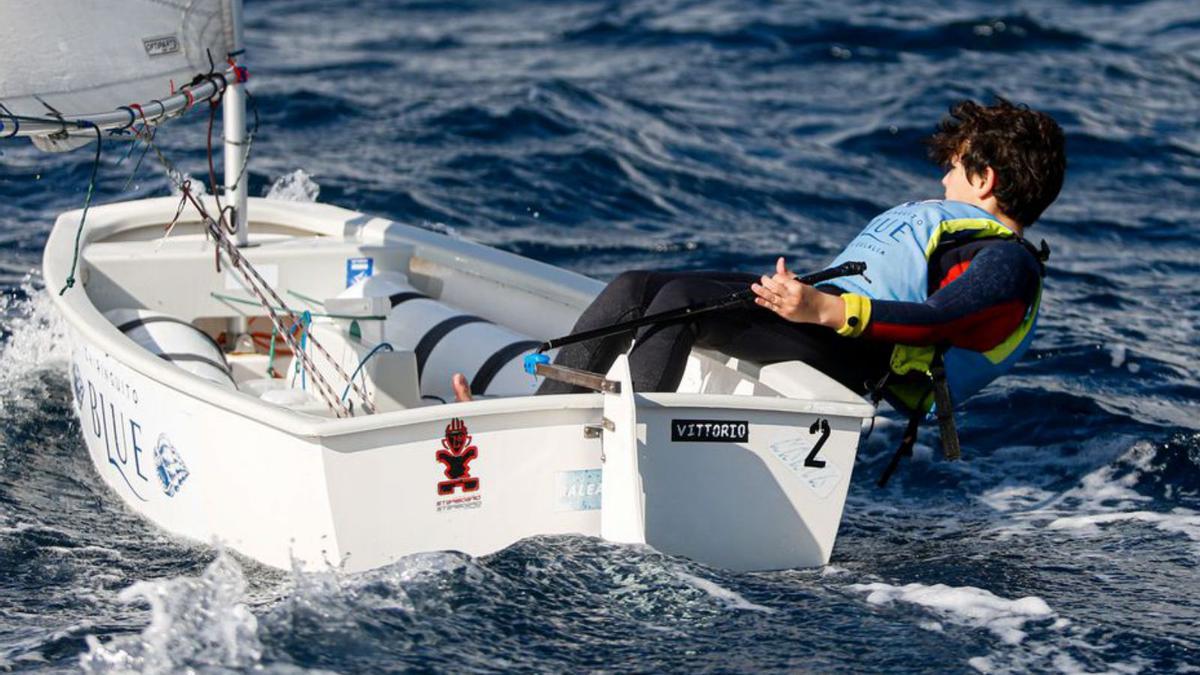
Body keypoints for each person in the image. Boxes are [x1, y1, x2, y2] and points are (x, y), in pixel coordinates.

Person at [453, 98, 1066, 419]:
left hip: (858, 356)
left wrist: (828, 309)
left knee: (681, 306)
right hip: (827, 324)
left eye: (954, 166)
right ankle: (545, 424)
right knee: (637, 285)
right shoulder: (958, 231)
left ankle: (625, 450)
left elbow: (940, 321)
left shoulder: (1008, 265)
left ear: (984, 179)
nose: (943, 177)